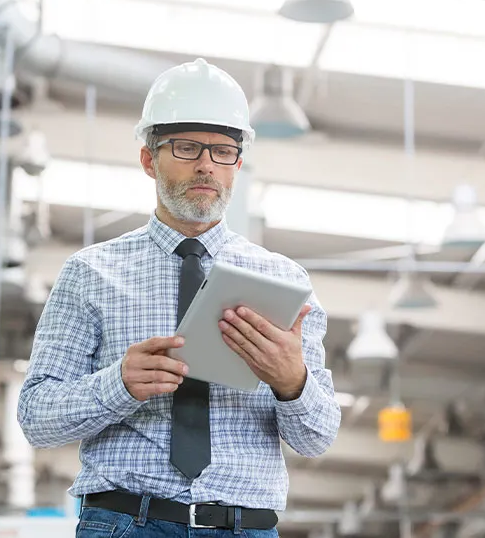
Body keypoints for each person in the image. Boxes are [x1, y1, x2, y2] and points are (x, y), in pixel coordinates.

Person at [18, 58, 341, 537]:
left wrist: (292, 380)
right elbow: (36, 418)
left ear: (238, 163)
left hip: (243, 527)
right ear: (149, 159)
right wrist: (119, 384)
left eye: (223, 151)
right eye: (187, 148)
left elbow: (316, 438)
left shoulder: (284, 281)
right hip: (125, 522)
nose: (206, 164)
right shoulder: (90, 273)